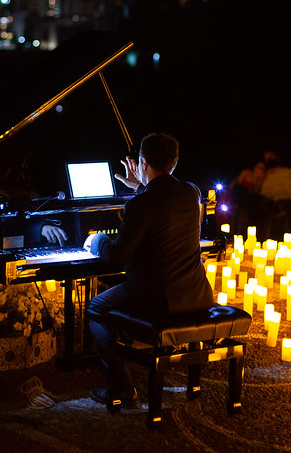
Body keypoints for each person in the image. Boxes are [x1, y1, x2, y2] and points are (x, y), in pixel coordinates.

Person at [83, 132, 214, 406]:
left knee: (96, 308)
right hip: (197, 293)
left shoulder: (140, 204)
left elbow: (116, 258)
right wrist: (140, 187)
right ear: (174, 164)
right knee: (119, 296)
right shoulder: (192, 193)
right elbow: (160, 199)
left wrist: (97, 240)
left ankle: (122, 387)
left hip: (159, 300)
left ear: (143, 162)